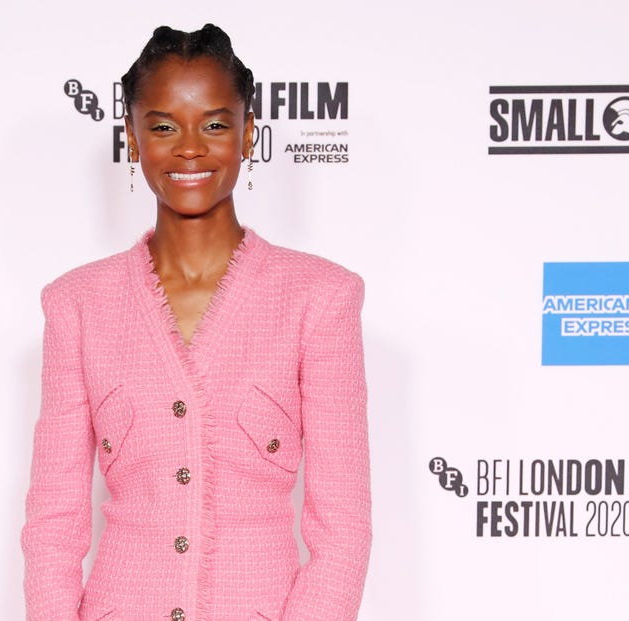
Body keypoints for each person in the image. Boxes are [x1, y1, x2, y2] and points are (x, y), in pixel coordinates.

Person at [22, 24, 371, 621]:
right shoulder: (76, 304)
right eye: (162, 126)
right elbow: (52, 525)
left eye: (214, 124)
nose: (189, 148)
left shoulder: (322, 298)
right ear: (132, 139)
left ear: (247, 136)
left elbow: (344, 530)